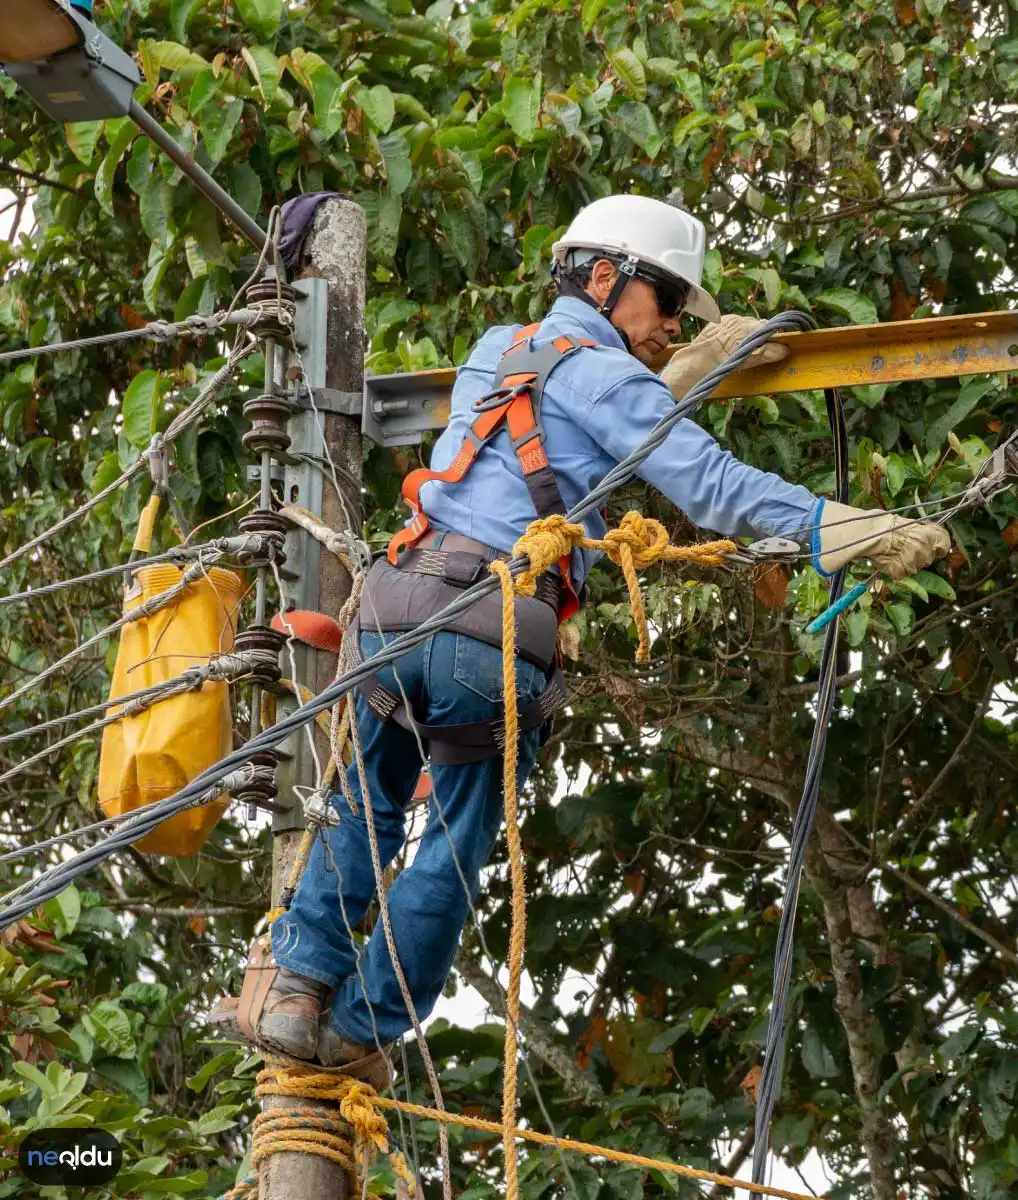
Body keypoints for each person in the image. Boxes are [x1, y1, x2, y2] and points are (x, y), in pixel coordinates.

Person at [212, 194, 949, 1077]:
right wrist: (838, 528)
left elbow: (564, 426)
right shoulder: (615, 382)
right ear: (606, 278)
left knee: (363, 804)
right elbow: (705, 481)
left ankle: (294, 993)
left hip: (393, 609)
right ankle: (358, 1034)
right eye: (668, 301)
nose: (673, 326)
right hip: (488, 633)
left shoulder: (497, 349)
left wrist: (685, 373)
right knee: (451, 837)